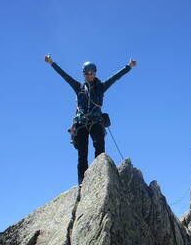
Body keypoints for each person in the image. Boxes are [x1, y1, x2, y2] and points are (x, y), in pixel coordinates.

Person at [45, 54, 137, 184]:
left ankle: (99, 176)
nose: (89, 75)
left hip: (96, 121)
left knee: (99, 146)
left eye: (91, 72)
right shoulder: (78, 87)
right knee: (82, 154)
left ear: (95, 72)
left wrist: (129, 67)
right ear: (83, 74)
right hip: (82, 123)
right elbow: (64, 76)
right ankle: (82, 183)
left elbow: (116, 77)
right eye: (86, 73)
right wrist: (52, 63)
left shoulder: (101, 87)